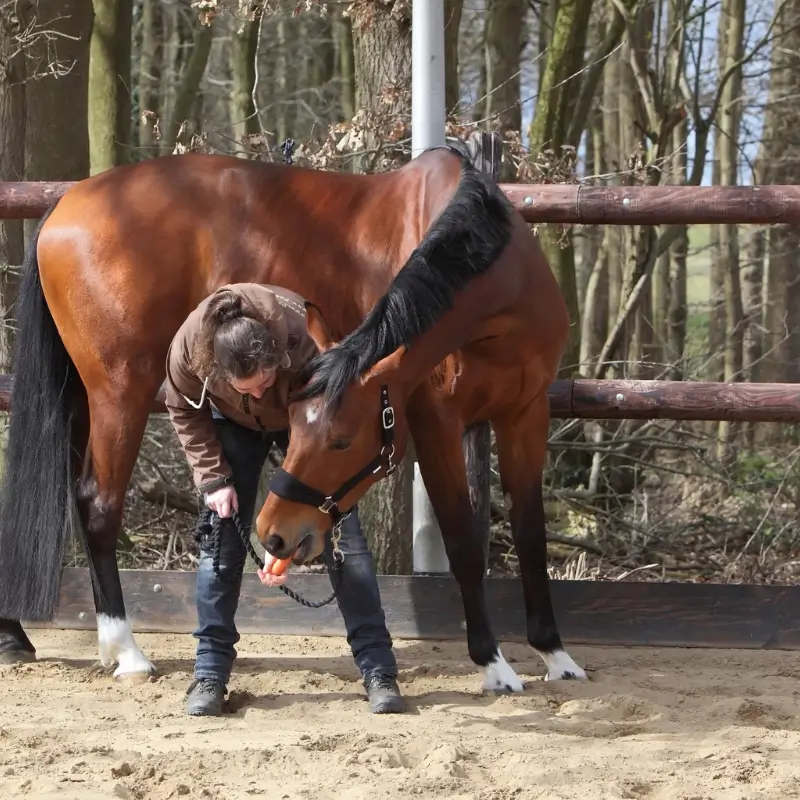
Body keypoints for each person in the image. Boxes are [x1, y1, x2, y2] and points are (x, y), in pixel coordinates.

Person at [164, 282, 405, 717]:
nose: (258, 391)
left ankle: (378, 669)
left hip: (306, 421)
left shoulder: (303, 341)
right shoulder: (186, 351)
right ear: (215, 368)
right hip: (231, 423)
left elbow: (341, 409)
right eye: (247, 386)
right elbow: (182, 408)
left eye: (265, 381)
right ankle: (210, 673)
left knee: (344, 540)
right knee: (221, 541)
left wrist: (306, 516)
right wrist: (213, 478)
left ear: (278, 357)